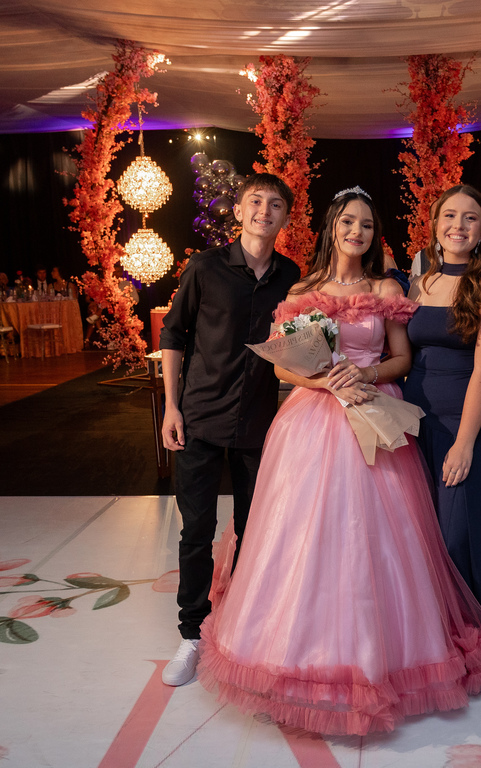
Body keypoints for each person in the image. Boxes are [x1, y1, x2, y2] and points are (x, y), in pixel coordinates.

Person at [196, 188, 481, 735]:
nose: (356, 232)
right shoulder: (302, 290)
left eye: (366, 224)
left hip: (374, 413)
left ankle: (383, 656)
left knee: (379, 540)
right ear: (331, 228)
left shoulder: (387, 288)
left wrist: (362, 375)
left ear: (374, 234)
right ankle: (294, 656)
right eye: (347, 222)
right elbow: (281, 367)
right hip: (310, 421)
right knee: (302, 537)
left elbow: (401, 358)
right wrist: (324, 381)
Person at [158, 174, 301, 687]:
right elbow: (173, 334)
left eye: (275, 204)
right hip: (198, 416)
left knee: (254, 529)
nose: (265, 211)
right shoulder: (206, 267)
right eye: (255, 201)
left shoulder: (292, 277)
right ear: (238, 211)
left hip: (259, 423)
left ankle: (243, 624)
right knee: (196, 530)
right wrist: (171, 407)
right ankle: (191, 633)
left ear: (286, 217)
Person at [403, 184, 481, 627]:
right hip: (415, 423)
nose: (458, 225)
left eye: (470, 217)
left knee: (458, 536)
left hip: (465, 425)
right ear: (435, 224)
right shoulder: (420, 281)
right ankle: (431, 632)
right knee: (420, 534)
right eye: (449, 215)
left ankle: (472, 632)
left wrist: (464, 443)